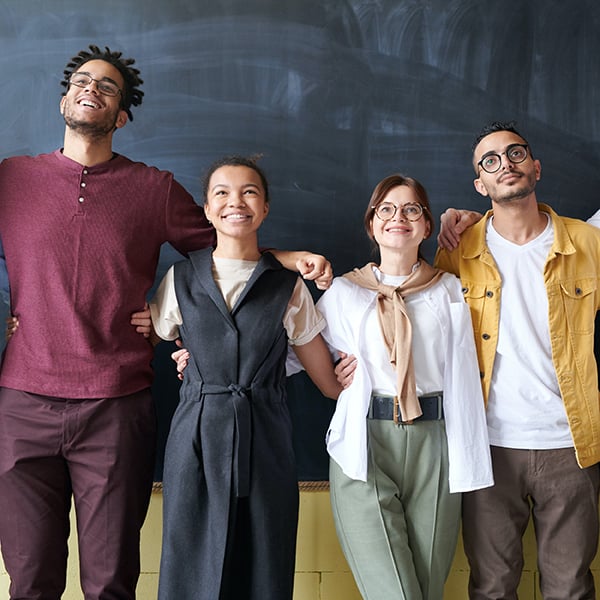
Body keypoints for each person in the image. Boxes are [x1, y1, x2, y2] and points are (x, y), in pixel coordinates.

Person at [0, 45, 331, 600]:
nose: (92, 90)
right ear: (64, 98)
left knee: (110, 582)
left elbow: (226, 247)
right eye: (83, 81)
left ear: (121, 115)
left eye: (108, 87)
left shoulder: (153, 189)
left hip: (116, 402)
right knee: (29, 580)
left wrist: (291, 258)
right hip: (21, 402)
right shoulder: (10, 180)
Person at [147, 155, 342, 600]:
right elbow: (144, 336)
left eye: (249, 192)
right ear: (207, 208)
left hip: (266, 435)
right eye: (222, 193)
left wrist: (353, 375)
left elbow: (326, 381)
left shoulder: (287, 286)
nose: (236, 202)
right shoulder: (180, 279)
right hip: (195, 434)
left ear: (266, 208)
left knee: (263, 560)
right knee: (191, 559)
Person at [307, 174, 493, 600]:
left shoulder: (450, 288)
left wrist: (469, 219)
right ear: (372, 224)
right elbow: (289, 351)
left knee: (427, 587)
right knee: (395, 591)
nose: (399, 218)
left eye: (412, 210)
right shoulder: (344, 292)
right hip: (365, 440)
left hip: (437, 442)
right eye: (386, 210)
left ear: (427, 226)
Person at [435, 121, 600, 599]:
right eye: (490, 161)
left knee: (570, 587)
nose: (505, 164)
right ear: (479, 184)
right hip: (487, 444)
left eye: (516, 153)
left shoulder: (587, 244)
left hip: (571, 444)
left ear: (536, 167)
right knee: (491, 587)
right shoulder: (457, 250)